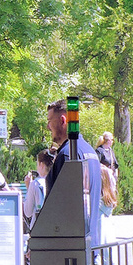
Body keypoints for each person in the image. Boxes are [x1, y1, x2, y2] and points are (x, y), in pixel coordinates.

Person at [43, 99, 103, 246]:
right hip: (89, 242)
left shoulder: (67, 155)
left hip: (68, 247)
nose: (48, 126)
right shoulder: (89, 151)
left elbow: (59, 203)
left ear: (63, 120)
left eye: (50, 121)